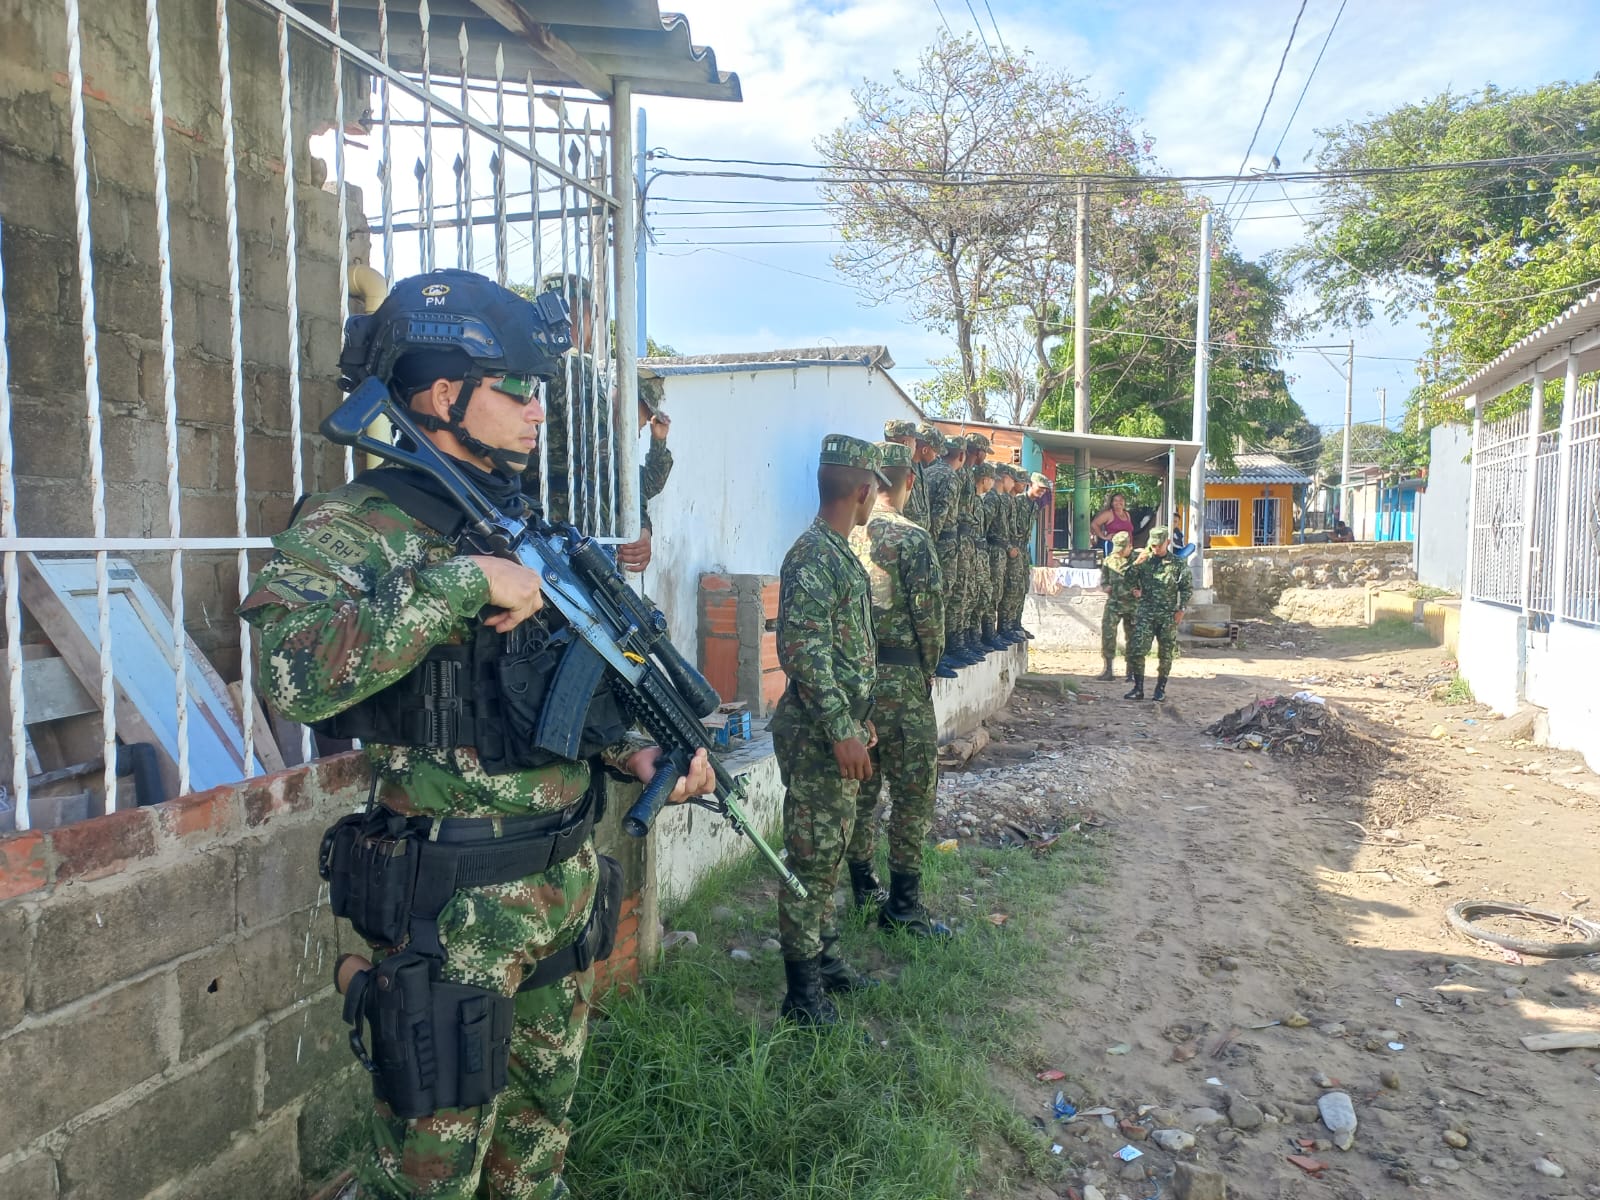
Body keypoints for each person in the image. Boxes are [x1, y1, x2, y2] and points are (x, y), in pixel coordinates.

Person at [239, 269, 716, 1200]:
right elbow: (289, 673)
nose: (539, 409)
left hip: (562, 884)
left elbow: (552, 686)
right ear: (438, 393)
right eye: (518, 388)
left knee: (535, 1154)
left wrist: (638, 747)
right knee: (432, 1176)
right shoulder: (362, 524)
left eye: (540, 389)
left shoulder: (514, 517)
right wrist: (463, 585)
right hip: (454, 906)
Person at [770, 433, 887, 1025]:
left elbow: (839, 651)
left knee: (833, 852)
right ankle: (801, 993)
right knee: (811, 859)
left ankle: (827, 959)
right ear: (863, 491)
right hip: (817, 734)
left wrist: (857, 723)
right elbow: (801, 648)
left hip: (838, 728)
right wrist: (843, 726)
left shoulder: (836, 552)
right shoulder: (816, 555)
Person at [844, 442, 952, 938]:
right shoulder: (911, 539)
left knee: (861, 790)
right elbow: (930, 619)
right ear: (907, 480)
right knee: (911, 796)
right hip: (904, 684)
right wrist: (928, 666)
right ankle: (904, 908)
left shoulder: (846, 533)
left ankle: (862, 884)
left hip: (855, 686)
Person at [526, 272, 669, 571]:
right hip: (572, 549)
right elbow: (607, 467)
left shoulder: (510, 367)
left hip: (531, 543)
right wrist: (639, 526)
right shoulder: (575, 371)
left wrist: (640, 525)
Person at [1124, 524, 1192, 702]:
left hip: (1167, 615)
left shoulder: (1177, 563)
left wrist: (1181, 609)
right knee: (1137, 650)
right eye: (1153, 545)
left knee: (1165, 653)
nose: (1155, 548)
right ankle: (1138, 688)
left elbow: (1186, 588)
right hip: (1146, 613)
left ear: (1167, 542)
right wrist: (1136, 566)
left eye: (1159, 545)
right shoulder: (1144, 560)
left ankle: (1160, 689)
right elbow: (1127, 580)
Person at [928, 430, 969, 669]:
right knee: (943, 598)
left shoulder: (929, 472)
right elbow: (941, 513)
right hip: (944, 543)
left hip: (934, 542)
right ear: (961, 455)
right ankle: (939, 656)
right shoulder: (950, 477)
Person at [957, 433, 993, 662]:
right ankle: (955, 644)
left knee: (972, 594)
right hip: (957, 542)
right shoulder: (960, 475)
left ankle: (968, 639)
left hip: (970, 544)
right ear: (977, 451)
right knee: (959, 594)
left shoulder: (966, 475)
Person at [1096, 530, 1138, 682]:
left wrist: (1141, 591)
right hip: (1114, 603)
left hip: (1132, 605)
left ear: (1129, 547)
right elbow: (1104, 579)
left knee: (1133, 638)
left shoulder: (1138, 561)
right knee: (1108, 634)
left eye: (1122, 549)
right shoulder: (1109, 560)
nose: (1119, 553)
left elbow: (1147, 581)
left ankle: (1132, 672)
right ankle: (1108, 670)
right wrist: (1106, 586)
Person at [973, 461, 1004, 650]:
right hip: (972, 551)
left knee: (985, 594)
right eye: (992, 479)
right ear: (985, 479)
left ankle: (978, 636)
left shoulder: (978, 500)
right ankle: (972, 637)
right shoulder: (982, 500)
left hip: (980, 551)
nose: (994, 483)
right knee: (972, 596)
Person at [883, 418, 929, 530]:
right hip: (902, 531)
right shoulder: (903, 470)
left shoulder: (877, 463)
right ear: (906, 443)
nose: (916, 444)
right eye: (915, 440)